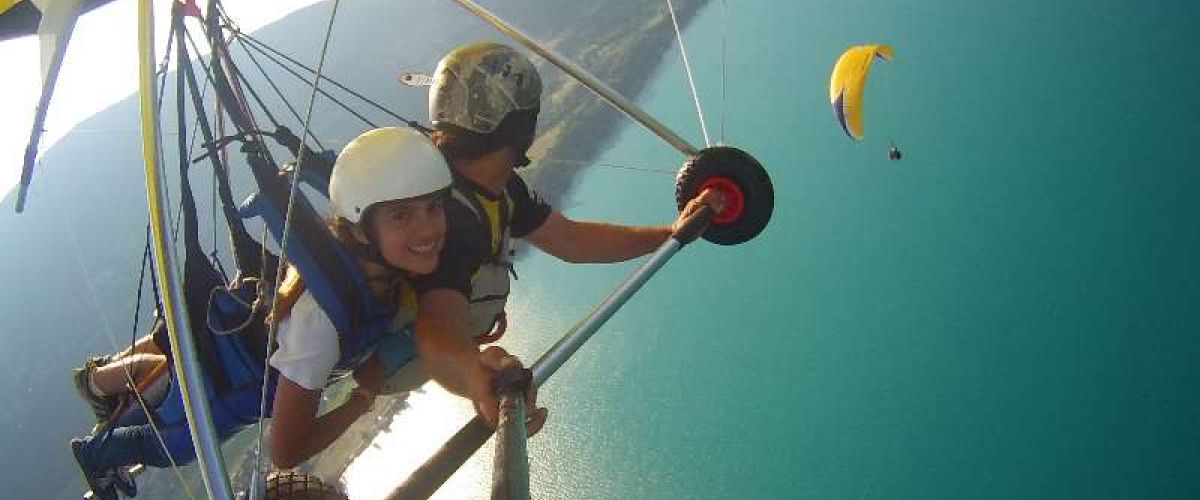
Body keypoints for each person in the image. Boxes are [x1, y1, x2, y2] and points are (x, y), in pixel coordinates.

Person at [70, 127, 522, 498]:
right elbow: (286, 451)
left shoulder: (375, 271)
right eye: (402, 216)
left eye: (433, 207)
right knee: (174, 442)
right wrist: (360, 403)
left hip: (229, 355)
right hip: (231, 383)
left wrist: (468, 334)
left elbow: (423, 325)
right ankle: (94, 453)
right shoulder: (321, 324)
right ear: (362, 228)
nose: (429, 229)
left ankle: (100, 384)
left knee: (166, 386)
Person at [401, 42, 723, 428]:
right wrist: (475, 377)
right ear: (521, 129)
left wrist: (669, 233)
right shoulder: (446, 215)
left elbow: (570, 240)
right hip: (404, 352)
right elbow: (436, 325)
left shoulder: (495, 186)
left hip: (443, 343)